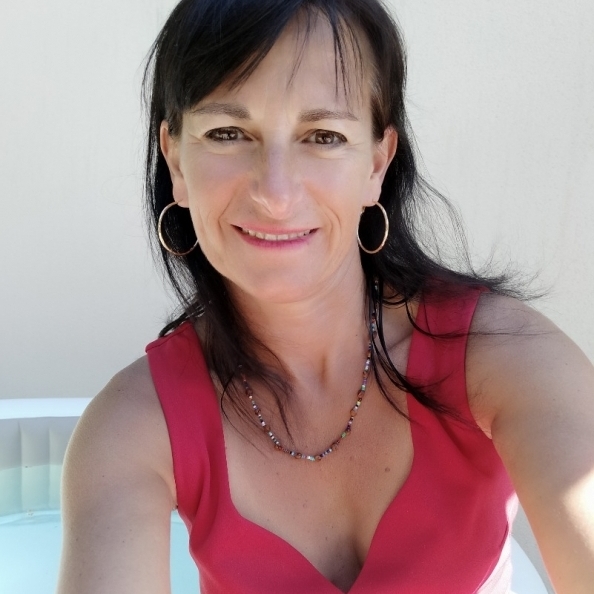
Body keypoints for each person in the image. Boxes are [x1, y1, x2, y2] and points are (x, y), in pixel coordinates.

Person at [57, 1, 594, 592]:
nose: (275, 193)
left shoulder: (508, 358)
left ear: (377, 164)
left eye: (323, 136)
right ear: (176, 160)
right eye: (227, 133)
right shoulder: (130, 428)